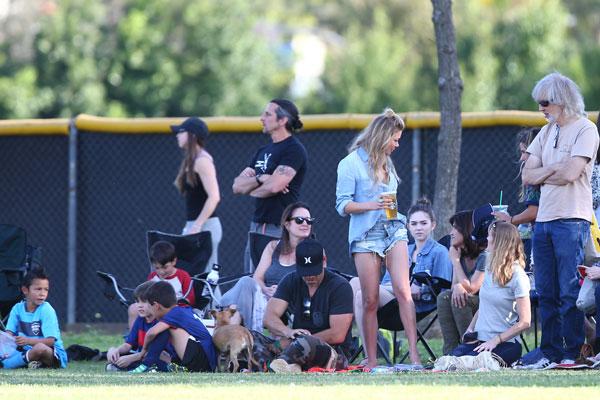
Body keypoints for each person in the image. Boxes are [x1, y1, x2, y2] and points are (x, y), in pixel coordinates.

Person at [521, 72, 599, 368]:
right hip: (544, 222)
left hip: (572, 221)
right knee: (546, 292)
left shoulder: (586, 129)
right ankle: (549, 351)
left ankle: (573, 350)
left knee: (569, 292)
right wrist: (555, 169)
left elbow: (571, 174)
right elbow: (528, 176)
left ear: (561, 101)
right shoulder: (546, 131)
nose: (540, 108)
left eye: (544, 103)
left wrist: (547, 171)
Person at [335, 108, 420, 368]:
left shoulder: (387, 162)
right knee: (370, 299)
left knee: (403, 291)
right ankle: (372, 361)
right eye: (394, 139)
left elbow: (390, 202)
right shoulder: (350, 164)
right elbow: (342, 205)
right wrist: (372, 205)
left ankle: (415, 358)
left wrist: (390, 210)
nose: (396, 144)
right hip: (365, 235)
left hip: (393, 229)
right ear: (382, 136)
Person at [351, 198, 452, 364]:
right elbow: (386, 283)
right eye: (414, 223)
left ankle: (370, 355)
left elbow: (443, 290)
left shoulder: (439, 252)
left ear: (433, 225)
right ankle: (367, 351)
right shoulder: (403, 248)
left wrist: (420, 291)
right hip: (392, 298)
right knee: (355, 283)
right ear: (408, 226)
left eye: (423, 223)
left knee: (361, 293)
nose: (418, 227)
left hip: (417, 303)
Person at [232, 99, 307, 273]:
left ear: (282, 121)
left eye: (267, 114)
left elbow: (274, 186)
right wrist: (261, 178)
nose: (261, 118)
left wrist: (252, 188)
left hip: (279, 226)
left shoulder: (294, 149)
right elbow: (237, 186)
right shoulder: (262, 151)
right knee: (251, 279)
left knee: (273, 280)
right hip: (257, 225)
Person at [219, 202, 315, 331]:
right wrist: (265, 289)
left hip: (287, 304)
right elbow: (257, 277)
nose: (305, 224)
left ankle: (237, 330)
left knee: (236, 303)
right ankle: (242, 333)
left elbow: (313, 286)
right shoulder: (273, 247)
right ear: (287, 224)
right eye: (299, 220)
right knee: (247, 282)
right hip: (263, 298)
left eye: (309, 221)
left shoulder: (313, 251)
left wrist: (281, 292)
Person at [263, 239, 354, 372]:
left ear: (324, 261)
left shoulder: (340, 286)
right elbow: (269, 317)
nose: (310, 276)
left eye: (314, 271)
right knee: (252, 338)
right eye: (305, 272)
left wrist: (298, 341)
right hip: (295, 345)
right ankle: (284, 364)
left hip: (333, 353)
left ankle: (274, 364)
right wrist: (287, 332)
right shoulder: (291, 280)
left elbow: (337, 334)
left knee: (306, 343)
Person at [451, 221, 531, 366]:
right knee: (449, 362)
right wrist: (470, 329)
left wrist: (496, 340)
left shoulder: (518, 276)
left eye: (490, 236)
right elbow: (484, 307)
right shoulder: (489, 268)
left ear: (499, 242)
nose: (487, 239)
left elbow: (525, 322)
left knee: (468, 364)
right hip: (480, 339)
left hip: (505, 344)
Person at [131, 281, 216, 373]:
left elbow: (151, 333)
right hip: (205, 359)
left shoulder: (173, 314)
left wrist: (143, 352)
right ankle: (165, 366)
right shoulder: (182, 309)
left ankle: (147, 364)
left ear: (156, 306)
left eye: (150, 307)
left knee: (166, 329)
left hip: (202, 361)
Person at [172, 117, 222, 274]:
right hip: (195, 225)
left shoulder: (202, 161)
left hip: (205, 227)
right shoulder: (191, 160)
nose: (177, 136)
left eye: (180, 132)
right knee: (190, 275)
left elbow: (214, 196)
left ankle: (216, 301)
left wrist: (197, 225)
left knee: (207, 279)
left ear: (191, 135)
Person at [437, 209, 488, 355]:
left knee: (461, 298)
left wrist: (455, 261)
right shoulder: (460, 254)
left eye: (455, 228)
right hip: (469, 302)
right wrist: (457, 264)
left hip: (485, 306)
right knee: (444, 297)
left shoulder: (484, 256)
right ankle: (450, 353)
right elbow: (454, 287)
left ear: (467, 231)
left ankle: (468, 349)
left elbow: (473, 289)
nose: (451, 232)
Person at [493, 128, 541, 269]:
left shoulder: (535, 176)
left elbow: (534, 211)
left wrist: (510, 220)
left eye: (525, 152)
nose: (521, 158)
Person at [1, 267, 67, 369]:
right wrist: (5, 343)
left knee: (39, 348)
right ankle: (30, 362)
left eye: (46, 289)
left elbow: (50, 341)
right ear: (25, 290)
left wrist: (27, 341)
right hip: (25, 350)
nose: (43, 293)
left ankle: (6, 365)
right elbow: (9, 335)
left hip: (51, 352)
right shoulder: (17, 309)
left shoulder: (47, 310)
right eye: (38, 289)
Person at [106, 281, 174, 372]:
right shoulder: (140, 320)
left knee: (158, 358)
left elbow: (157, 352)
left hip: (158, 358)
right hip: (141, 357)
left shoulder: (161, 322)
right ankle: (121, 365)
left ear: (155, 303)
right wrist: (116, 351)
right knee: (113, 356)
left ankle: (146, 368)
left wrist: (132, 358)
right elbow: (128, 345)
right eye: (137, 301)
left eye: (144, 302)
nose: (140, 306)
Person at [127, 241, 194, 329]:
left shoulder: (183, 276)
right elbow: (145, 296)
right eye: (157, 268)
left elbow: (190, 299)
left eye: (165, 267)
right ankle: (133, 338)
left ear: (174, 261)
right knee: (133, 308)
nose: (161, 272)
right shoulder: (153, 277)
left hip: (174, 308)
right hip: (154, 307)